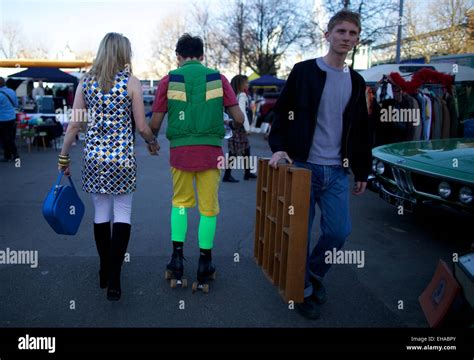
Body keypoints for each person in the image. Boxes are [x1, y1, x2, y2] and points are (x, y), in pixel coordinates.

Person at [268, 10, 372, 319]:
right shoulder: (303, 72)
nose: (347, 38)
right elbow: (281, 112)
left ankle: (312, 274)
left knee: (338, 233)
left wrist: (362, 170)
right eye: (341, 31)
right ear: (327, 35)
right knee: (299, 233)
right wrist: (279, 149)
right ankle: (301, 291)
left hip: (338, 171)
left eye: (353, 33)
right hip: (303, 167)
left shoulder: (356, 81)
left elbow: (362, 129)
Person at [57, 32, 158, 301]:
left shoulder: (85, 83)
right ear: (124, 54)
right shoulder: (132, 83)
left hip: (94, 160)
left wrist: (64, 157)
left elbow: (74, 126)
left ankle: (104, 268)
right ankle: (115, 278)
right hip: (122, 161)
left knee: (100, 213)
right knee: (123, 213)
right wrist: (152, 142)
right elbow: (142, 126)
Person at [149, 33, 244, 291]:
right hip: (211, 153)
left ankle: (177, 261)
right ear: (203, 56)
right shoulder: (218, 79)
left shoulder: (169, 80)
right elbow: (239, 117)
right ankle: (205, 263)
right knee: (208, 208)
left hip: (180, 152)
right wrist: (230, 122)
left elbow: (155, 123)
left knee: (180, 203)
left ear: (178, 57)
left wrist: (152, 140)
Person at [223, 75, 257, 182]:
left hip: (234, 126)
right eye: (246, 83)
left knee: (245, 149)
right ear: (240, 84)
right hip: (238, 127)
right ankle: (228, 175)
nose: (248, 85)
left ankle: (247, 172)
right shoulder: (241, 95)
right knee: (234, 151)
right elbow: (243, 114)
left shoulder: (232, 95)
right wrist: (247, 128)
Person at [0, 77, 19, 162]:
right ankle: (14, 154)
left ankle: (8, 155)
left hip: (2, 118)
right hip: (11, 117)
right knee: (10, 137)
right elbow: (16, 104)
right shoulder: (12, 91)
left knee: (4, 138)